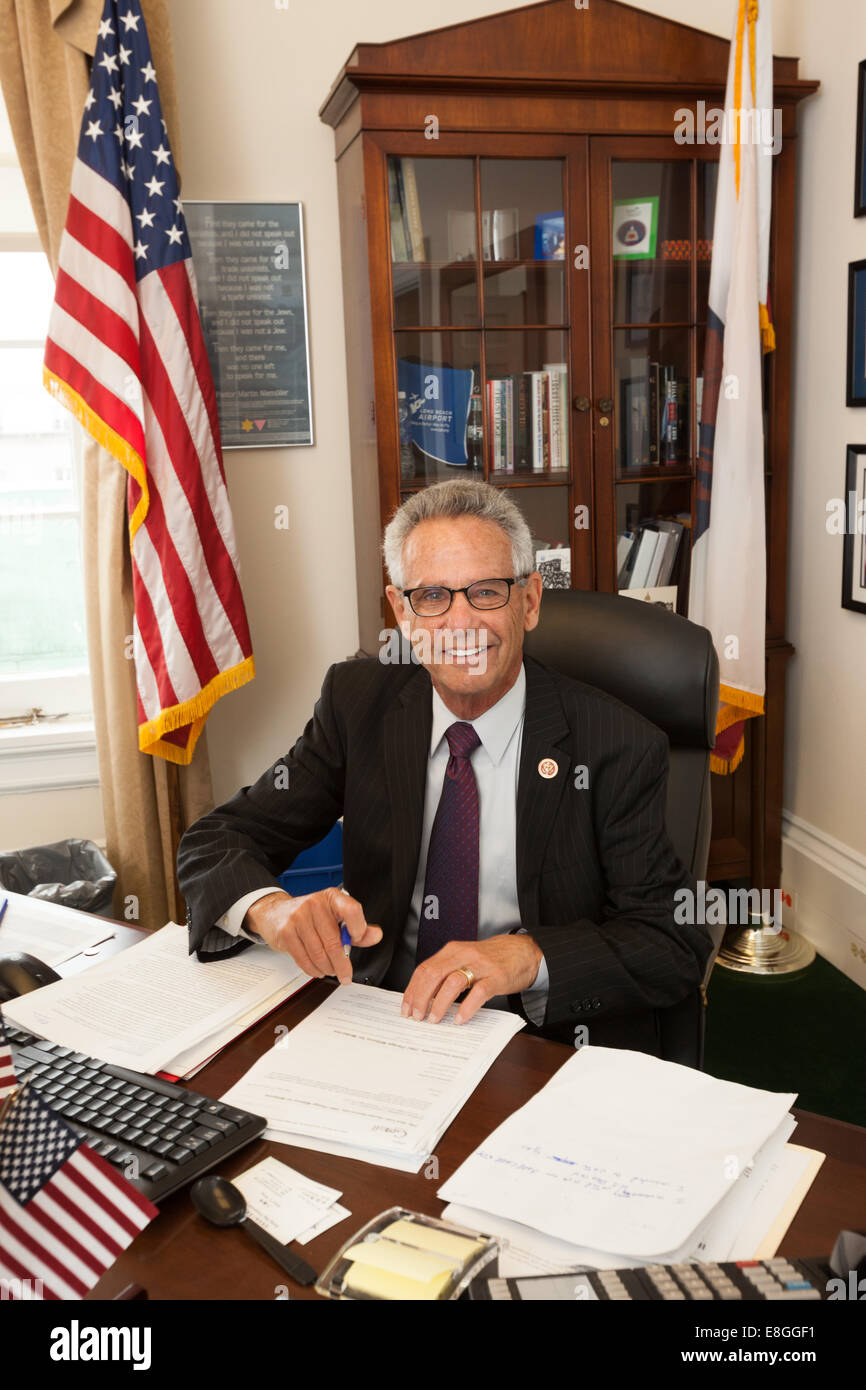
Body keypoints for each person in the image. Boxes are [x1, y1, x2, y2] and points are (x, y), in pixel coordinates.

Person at [178, 479, 712, 1054]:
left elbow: (671, 939)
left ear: (529, 601)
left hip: (537, 1040)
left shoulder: (616, 742)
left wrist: (532, 956)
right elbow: (218, 839)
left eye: (485, 592)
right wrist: (271, 910)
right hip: (383, 1018)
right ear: (401, 612)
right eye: (431, 597)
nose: (459, 624)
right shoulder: (359, 704)